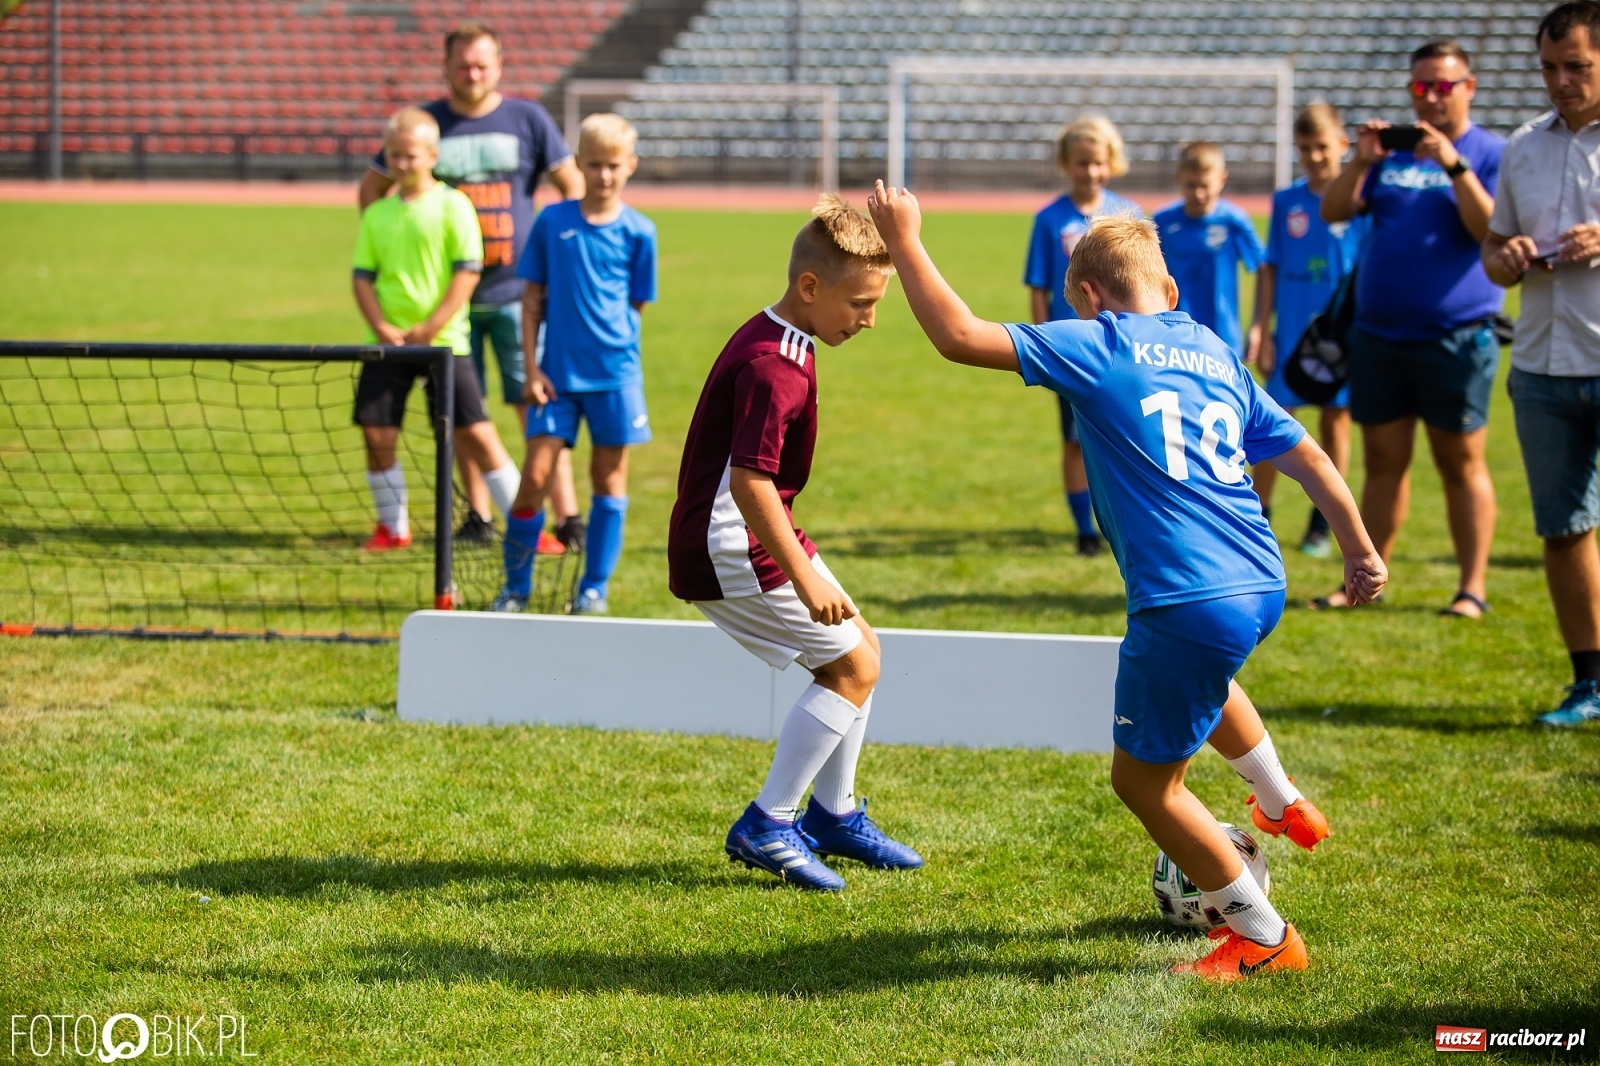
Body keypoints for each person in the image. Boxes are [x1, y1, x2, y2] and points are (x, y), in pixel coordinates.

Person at [867, 186, 1386, 980]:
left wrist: (903, 238)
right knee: (1202, 678)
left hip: (1187, 600)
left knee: (1144, 784)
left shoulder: (1098, 341)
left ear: (1085, 296)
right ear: (1171, 292)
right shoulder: (1214, 351)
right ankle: (1281, 801)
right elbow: (1309, 455)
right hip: (1260, 580)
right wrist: (1359, 549)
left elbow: (959, 336)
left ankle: (1263, 935)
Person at [667, 195, 923, 892]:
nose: (869, 320)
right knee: (849, 670)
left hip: (753, 531)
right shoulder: (774, 364)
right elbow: (750, 487)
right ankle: (768, 823)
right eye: (861, 304)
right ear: (811, 288)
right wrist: (805, 578)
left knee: (863, 653)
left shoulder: (786, 338)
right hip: (730, 545)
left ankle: (834, 815)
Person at [359, 20, 585, 551]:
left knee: (536, 404)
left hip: (515, 294)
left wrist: (554, 251)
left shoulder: (526, 117)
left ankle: (565, 514)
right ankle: (478, 516)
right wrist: (397, 248)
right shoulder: (424, 125)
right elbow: (372, 193)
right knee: (462, 413)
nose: (473, 73)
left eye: (482, 63)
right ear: (446, 67)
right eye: (462, 64)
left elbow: (571, 186)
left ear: (499, 65)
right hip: (446, 305)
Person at [1320, 40, 1504, 617]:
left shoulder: (1489, 152)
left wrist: (1451, 162)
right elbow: (1333, 211)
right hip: (1379, 336)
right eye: (1420, 88)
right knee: (1382, 461)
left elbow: (1490, 227)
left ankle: (1470, 588)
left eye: (1442, 87)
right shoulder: (1390, 160)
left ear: (1468, 87)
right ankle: (1365, 580)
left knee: (1461, 462)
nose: (1429, 99)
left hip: (1456, 336)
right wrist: (1360, 161)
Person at [1483, 0, 1600, 726]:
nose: (1561, 81)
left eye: (1578, 67)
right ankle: (1588, 683)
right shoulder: (1522, 147)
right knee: (1562, 528)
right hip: (1541, 368)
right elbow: (1493, 255)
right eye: (1550, 68)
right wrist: (1510, 257)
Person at [492, 114, 656, 615]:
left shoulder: (639, 232)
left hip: (615, 378)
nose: (603, 175)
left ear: (629, 166)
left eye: (613, 166)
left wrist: (611, 346)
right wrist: (532, 368)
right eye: (594, 165)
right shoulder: (552, 221)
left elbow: (636, 303)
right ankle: (515, 588)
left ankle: (593, 588)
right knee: (535, 477)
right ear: (578, 164)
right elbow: (532, 299)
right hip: (555, 378)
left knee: (609, 477)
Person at [350, 108, 521, 551]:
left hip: (445, 344)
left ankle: (525, 526)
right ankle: (394, 528)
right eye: (394, 155)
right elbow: (362, 277)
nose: (402, 164)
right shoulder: (377, 214)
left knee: (476, 433)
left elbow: (467, 273)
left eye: (411, 155)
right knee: (377, 432)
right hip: (387, 344)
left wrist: (431, 325)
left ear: (432, 155)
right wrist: (381, 325)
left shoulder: (453, 205)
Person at [1246, 103, 1369, 557]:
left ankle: (1321, 524)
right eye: (1305, 149)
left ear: (1342, 144)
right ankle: (1259, 512)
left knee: (1336, 422)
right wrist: (1262, 327)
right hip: (1292, 329)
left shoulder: (1358, 200)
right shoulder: (1286, 202)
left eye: (1322, 147)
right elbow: (1270, 268)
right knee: (1272, 422)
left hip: (1341, 334)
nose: (1315, 157)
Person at [1025, 116, 1142, 556]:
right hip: (1073, 350)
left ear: (1110, 163)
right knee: (1076, 441)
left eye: (1097, 163)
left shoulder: (1126, 215)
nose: (1090, 172)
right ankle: (1084, 532)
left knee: (1125, 440)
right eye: (1081, 164)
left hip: (1123, 348)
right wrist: (1042, 344)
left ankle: (1125, 524)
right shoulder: (1049, 219)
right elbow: (1038, 285)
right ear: (1066, 164)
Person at [1152, 142, 1265, 360]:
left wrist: (1257, 327)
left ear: (1221, 179)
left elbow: (1263, 267)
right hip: (1174, 333)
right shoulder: (1162, 222)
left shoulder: (1233, 220)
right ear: (1178, 179)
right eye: (1191, 185)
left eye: (1205, 185)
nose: (1198, 193)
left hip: (1223, 335)